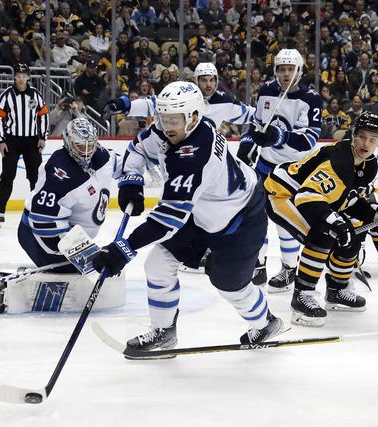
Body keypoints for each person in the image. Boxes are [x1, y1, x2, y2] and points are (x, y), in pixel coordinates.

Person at [91, 81, 285, 350]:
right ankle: (163, 331)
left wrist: (123, 249)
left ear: (194, 117)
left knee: (230, 286)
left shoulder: (195, 156)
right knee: (158, 265)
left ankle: (265, 323)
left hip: (240, 220)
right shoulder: (172, 128)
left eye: (175, 120)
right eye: (164, 118)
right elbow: (137, 149)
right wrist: (132, 180)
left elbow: (167, 220)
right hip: (199, 212)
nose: (167, 126)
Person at [263, 112, 378, 326]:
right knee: (322, 234)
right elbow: (307, 197)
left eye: (373, 139)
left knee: (353, 235)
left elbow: (348, 199)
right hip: (282, 194)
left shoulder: (368, 164)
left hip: (311, 198)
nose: (367, 143)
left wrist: (374, 215)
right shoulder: (339, 161)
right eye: (362, 137)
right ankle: (302, 295)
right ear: (353, 135)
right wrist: (334, 224)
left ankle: (337, 289)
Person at [0, 119, 124, 313]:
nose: (85, 152)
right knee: (90, 267)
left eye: (90, 145)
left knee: (96, 264)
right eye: (79, 146)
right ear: (68, 143)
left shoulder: (99, 155)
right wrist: (81, 254)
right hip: (37, 237)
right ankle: (9, 288)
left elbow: (122, 163)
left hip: (64, 238)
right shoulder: (60, 172)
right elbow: (42, 222)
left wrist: (132, 182)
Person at [236, 48, 323, 293]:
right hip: (265, 165)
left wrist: (279, 136)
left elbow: (310, 139)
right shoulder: (266, 91)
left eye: (291, 69)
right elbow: (257, 124)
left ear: (299, 70)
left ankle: (289, 268)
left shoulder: (311, 98)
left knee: (284, 221)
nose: (286, 74)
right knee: (257, 217)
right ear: (276, 71)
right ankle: (259, 263)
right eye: (282, 69)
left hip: (293, 171)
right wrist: (247, 143)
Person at [102, 62, 254, 131]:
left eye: (212, 80)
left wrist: (273, 115)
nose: (208, 85)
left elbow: (250, 115)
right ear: (196, 81)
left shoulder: (225, 101)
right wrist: (124, 104)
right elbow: (152, 104)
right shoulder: (184, 93)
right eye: (203, 80)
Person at [0, 63, 48, 226]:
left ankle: (37, 210)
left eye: (24, 75)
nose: (21, 78)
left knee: (36, 177)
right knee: (7, 176)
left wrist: (42, 137)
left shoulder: (36, 95)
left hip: (32, 140)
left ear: (28, 77)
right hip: (12, 140)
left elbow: (43, 115)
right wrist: (1, 140)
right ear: (14, 77)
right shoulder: (6, 95)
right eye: (18, 75)